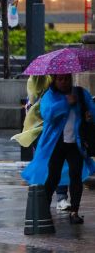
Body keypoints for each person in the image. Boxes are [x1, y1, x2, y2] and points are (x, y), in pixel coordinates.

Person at [21, 74, 95, 225]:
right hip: (56, 143)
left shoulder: (80, 93)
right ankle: (44, 208)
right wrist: (65, 103)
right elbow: (47, 114)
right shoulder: (50, 95)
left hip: (76, 143)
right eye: (60, 79)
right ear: (54, 80)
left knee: (76, 176)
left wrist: (89, 115)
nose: (63, 82)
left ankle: (74, 211)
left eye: (66, 79)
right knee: (53, 176)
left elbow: (92, 111)